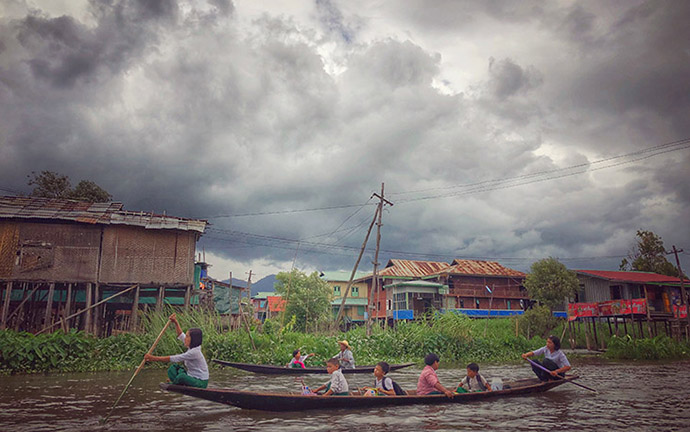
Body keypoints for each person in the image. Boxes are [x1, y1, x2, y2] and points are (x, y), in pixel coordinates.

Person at [144, 313, 209, 389]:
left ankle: (174, 383)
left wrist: (153, 358)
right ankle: (177, 382)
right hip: (190, 376)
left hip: (200, 382)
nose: (185, 338)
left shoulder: (195, 352)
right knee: (173, 368)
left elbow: (175, 358)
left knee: (182, 376)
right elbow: (181, 335)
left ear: (193, 339)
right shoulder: (191, 346)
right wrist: (175, 322)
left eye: (187, 336)